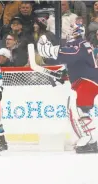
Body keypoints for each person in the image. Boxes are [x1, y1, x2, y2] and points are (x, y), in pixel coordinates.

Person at [37, 24, 98, 154]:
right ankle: (91, 141)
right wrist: (60, 75)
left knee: (77, 111)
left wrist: (50, 50)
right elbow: (70, 62)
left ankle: (88, 140)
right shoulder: (81, 45)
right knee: (80, 111)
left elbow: (70, 55)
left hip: (87, 82)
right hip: (87, 81)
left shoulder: (80, 44)